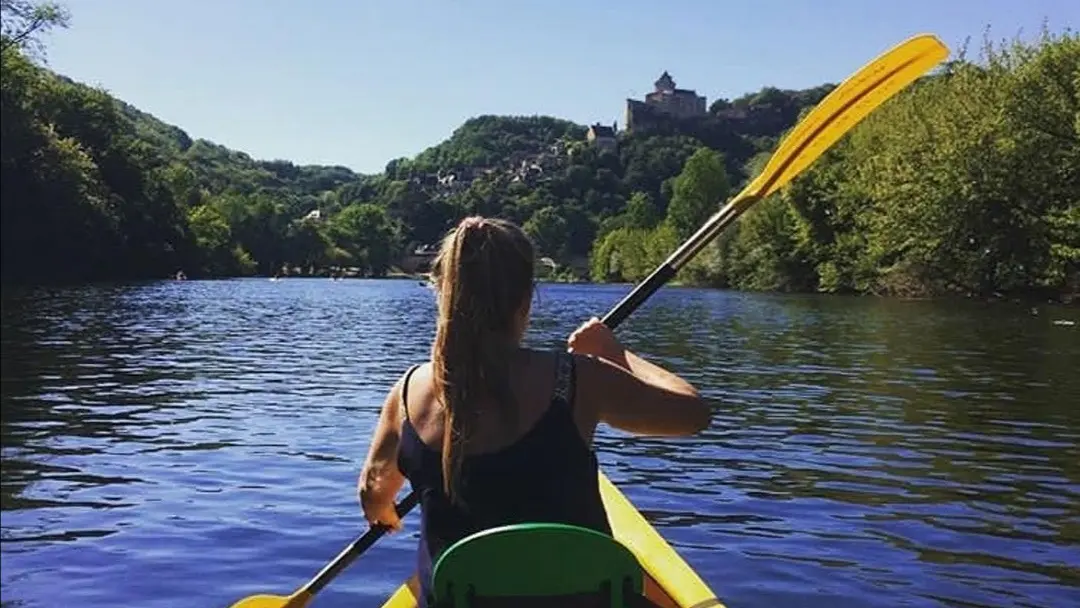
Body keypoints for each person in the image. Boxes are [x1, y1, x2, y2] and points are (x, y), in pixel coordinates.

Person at [358, 216, 710, 604]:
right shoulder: (577, 380)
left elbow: (373, 491)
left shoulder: (407, 394)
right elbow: (693, 413)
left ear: (442, 292)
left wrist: (385, 512)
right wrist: (616, 354)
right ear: (525, 299)